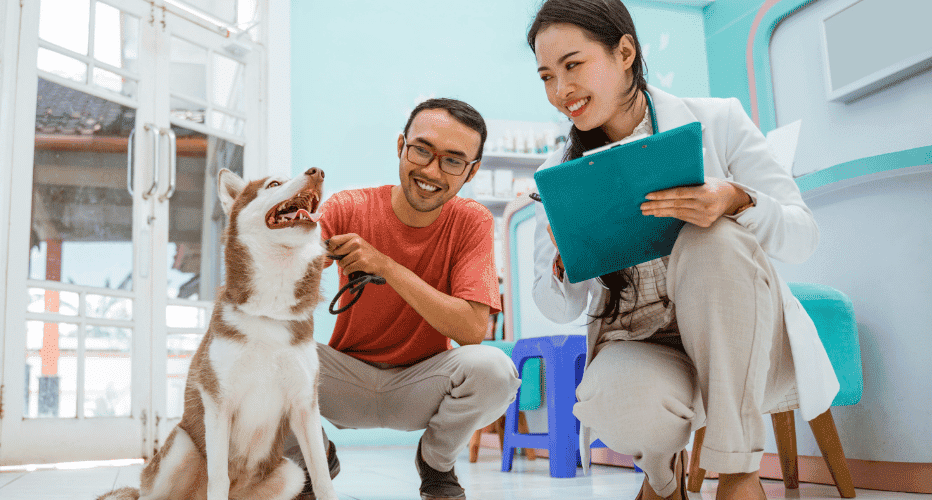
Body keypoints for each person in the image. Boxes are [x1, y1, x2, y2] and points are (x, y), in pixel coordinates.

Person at [525, 2, 839, 500]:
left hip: (736, 329)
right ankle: (662, 480)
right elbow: (555, 306)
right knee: (611, 399)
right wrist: (564, 260)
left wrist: (737, 198)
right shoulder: (559, 172)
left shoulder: (720, 120)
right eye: (546, 76)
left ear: (624, 51)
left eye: (573, 65)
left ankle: (738, 474)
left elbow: (803, 236)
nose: (560, 91)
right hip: (643, 342)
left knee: (712, 236)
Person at [288, 98, 521, 500]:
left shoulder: (472, 221)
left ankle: (435, 462)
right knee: (260, 356)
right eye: (422, 151)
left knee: (495, 370)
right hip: (343, 381)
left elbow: (470, 331)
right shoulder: (350, 206)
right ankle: (313, 457)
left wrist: (387, 267)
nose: (431, 171)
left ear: (472, 171)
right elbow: (290, 273)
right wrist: (292, 239)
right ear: (401, 146)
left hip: (422, 385)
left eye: (452, 161)